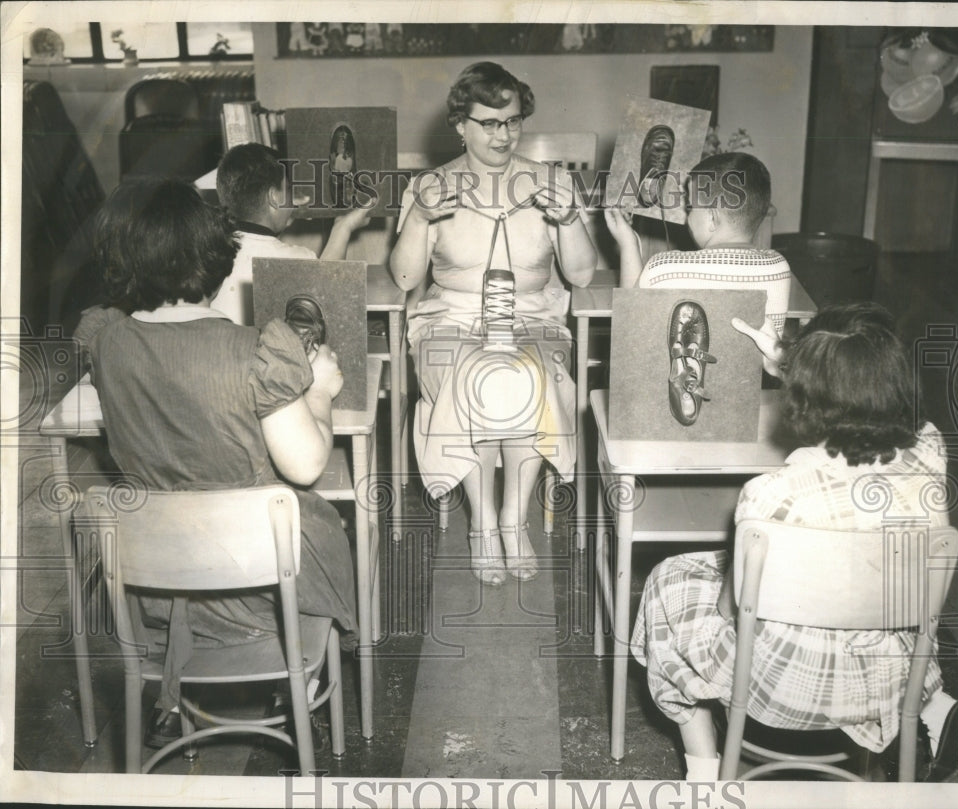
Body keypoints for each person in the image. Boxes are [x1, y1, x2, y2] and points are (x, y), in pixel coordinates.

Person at [74, 178, 358, 749]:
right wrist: (320, 393)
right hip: (265, 583)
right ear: (218, 258)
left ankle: (172, 698)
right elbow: (305, 467)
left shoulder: (105, 339)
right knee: (338, 520)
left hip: (154, 584)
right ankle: (297, 691)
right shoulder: (259, 350)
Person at [630, 302, 958, 781]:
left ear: (804, 398)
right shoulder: (931, 452)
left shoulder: (774, 495)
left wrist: (793, 367)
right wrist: (787, 360)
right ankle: (935, 709)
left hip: (778, 688)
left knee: (668, 580)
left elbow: (730, 609)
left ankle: (703, 773)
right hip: (891, 678)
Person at [390, 61, 597, 586]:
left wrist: (570, 220)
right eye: (488, 123)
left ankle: (514, 519)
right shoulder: (429, 187)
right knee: (474, 373)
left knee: (527, 372)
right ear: (460, 124)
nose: (503, 135)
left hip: (533, 318)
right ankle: (482, 523)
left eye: (512, 121)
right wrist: (417, 219)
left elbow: (581, 275)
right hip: (450, 321)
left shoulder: (554, 183)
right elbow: (406, 276)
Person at [606, 151, 790, 335]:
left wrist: (628, 243)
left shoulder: (664, 268)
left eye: (690, 207)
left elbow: (628, 324)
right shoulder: (779, 267)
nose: (687, 217)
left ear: (712, 218)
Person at [213, 142, 370, 325]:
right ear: (274, 197)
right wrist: (344, 227)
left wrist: (283, 211)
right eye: (288, 189)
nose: (292, 195)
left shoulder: (209, 252)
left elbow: (256, 238)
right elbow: (327, 291)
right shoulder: (297, 260)